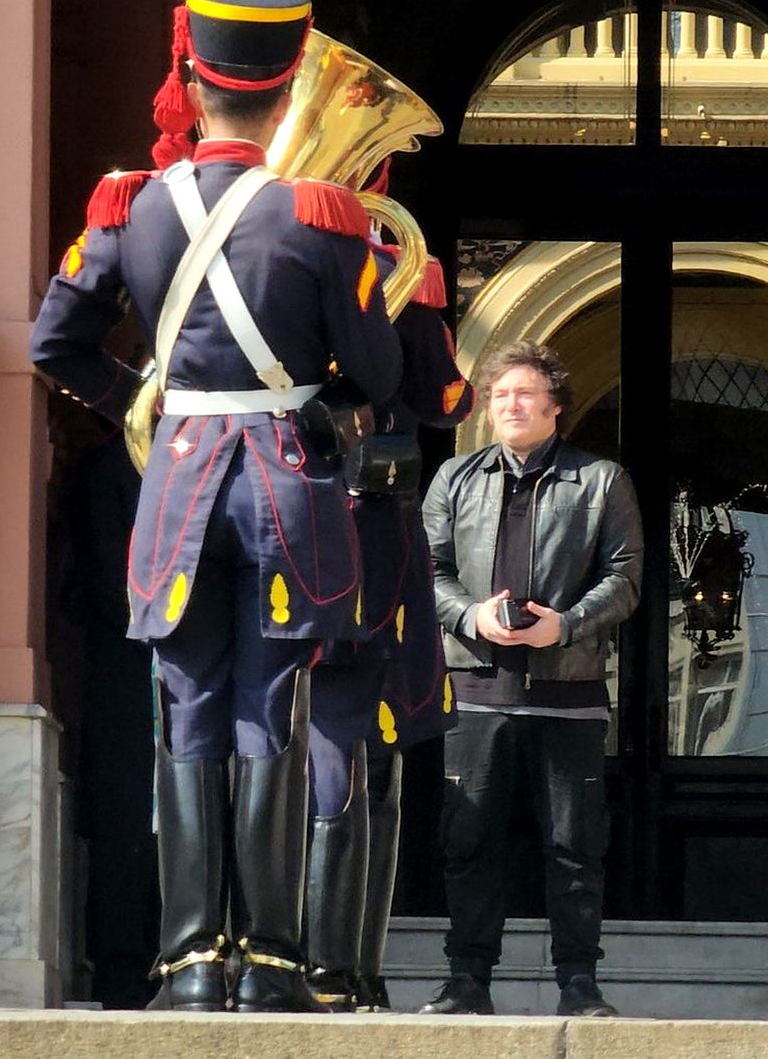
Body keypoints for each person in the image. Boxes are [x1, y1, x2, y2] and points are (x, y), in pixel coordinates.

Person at [29, 0, 402, 1013]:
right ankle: (275, 958)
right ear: (290, 92)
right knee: (269, 705)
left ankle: (191, 960)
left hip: (182, 477)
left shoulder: (127, 207)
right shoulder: (322, 215)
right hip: (287, 478)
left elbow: (56, 341)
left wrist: (139, 402)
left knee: (184, 704)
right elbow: (375, 367)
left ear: (189, 75)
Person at [419, 340, 643, 1017]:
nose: (508, 405)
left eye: (523, 393)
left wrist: (565, 625)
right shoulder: (455, 479)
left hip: (567, 695)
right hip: (479, 695)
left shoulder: (601, 480)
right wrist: (471, 615)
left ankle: (578, 983)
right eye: (499, 395)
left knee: (575, 848)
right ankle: (467, 980)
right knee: (470, 841)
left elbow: (627, 575)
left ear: (555, 408)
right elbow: (423, 571)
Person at [303, 200, 475, 1010]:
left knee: (304, 745)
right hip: (368, 540)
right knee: (367, 752)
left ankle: (294, 960)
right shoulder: (393, 266)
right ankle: (346, 970)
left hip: (279, 517)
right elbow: (446, 400)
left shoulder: (256, 246)